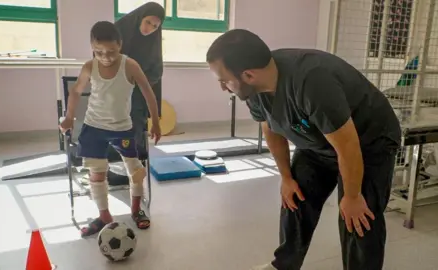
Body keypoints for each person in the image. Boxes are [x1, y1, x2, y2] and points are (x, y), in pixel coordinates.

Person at [206, 29, 401, 270]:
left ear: (248, 75)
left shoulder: (312, 81)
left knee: (358, 218)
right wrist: (286, 178)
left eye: (224, 81)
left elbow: (348, 145)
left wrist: (351, 196)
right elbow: (271, 130)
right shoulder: (254, 88)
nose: (223, 88)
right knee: (294, 200)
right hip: (317, 143)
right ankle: (284, 265)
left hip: (369, 142)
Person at [60, 21, 161, 237]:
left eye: (111, 52)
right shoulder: (89, 66)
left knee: (135, 171)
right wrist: (69, 117)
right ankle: (104, 215)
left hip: (122, 128)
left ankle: (136, 209)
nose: (106, 56)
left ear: (120, 45)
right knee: (97, 173)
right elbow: (76, 92)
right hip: (94, 127)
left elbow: (148, 92)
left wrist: (156, 121)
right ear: (92, 48)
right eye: (99, 52)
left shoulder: (130, 65)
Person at [114, 2, 165, 162]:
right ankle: (113, 167)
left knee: (135, 129)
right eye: (148, 22)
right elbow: (103, 58)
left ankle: (133, 167)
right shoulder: (119, 30)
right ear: (140, 17)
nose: (149, 28)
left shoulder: (153, 41)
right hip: (115, 89)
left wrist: (141, 81)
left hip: (138, 93)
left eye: (155, 26)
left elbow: (157, 69)